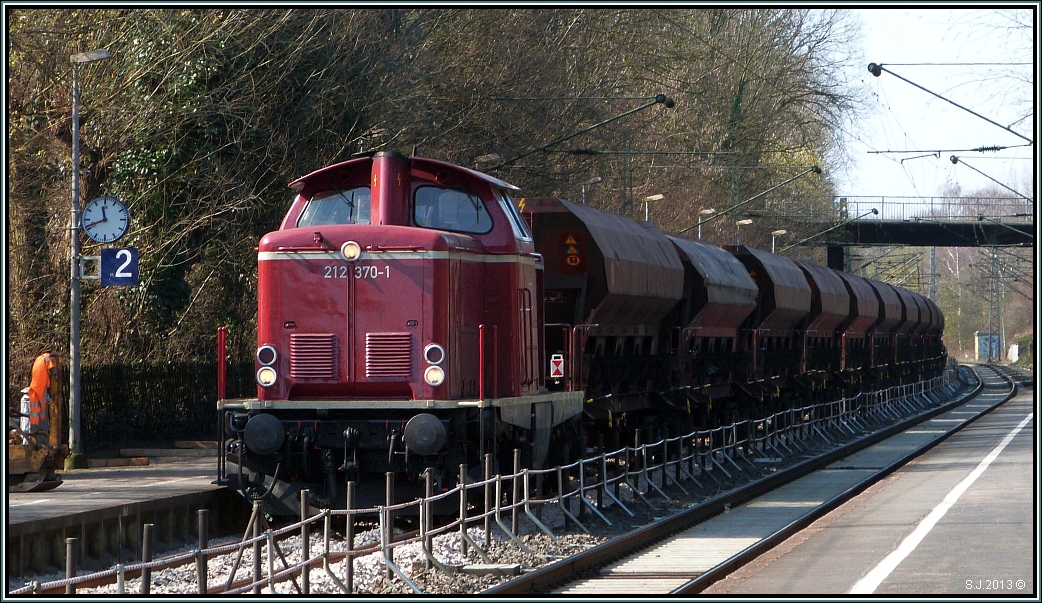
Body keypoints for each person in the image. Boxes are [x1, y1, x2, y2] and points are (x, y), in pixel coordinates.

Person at [27, 351, 56, 444]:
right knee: (41, 409)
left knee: (37, 411)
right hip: (39, 387)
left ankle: (37, 435)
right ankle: (41, 439)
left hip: (35, 387)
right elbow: (53, 370)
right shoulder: (47, 357)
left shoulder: (38, 359)